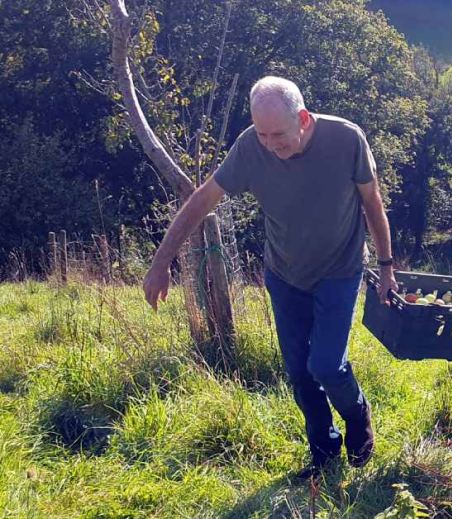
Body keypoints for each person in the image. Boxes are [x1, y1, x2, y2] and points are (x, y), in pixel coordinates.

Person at [142, 76, 398, 477]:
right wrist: (161, 263)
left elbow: (373, 202)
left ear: (304, 118)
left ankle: (357, 413)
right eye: (263, 134)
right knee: (299, 373)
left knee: (327, 365)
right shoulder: (249, 147)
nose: (271, 145)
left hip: (340, 271)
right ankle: (324, 453)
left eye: (278, 134)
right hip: (284, 275)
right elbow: (202, 200)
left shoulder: (347, 140)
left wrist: (386, 266)